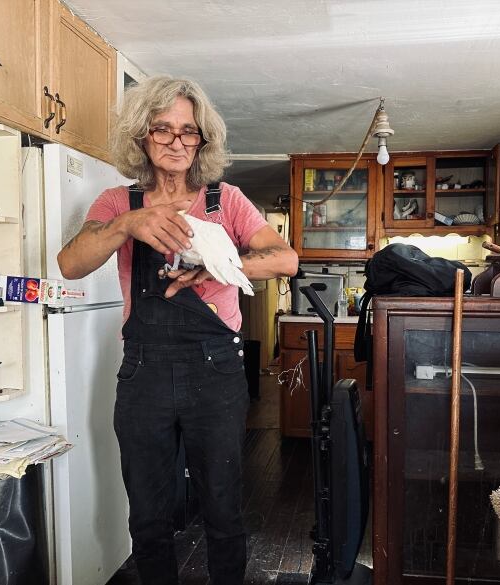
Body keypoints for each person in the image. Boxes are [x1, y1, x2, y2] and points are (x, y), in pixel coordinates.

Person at [57, 75, 298, 585]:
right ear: (141, 137)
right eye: (162, 130)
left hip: (216, 373)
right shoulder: (115, 204)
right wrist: (129, 225)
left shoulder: (224, 200)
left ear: (202, 140)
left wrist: (217, 267)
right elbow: (70, 265)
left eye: (188, 132)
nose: (176, 142)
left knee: (222, 509)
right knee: (148, 513)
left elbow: (286, 258)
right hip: (143, 369)